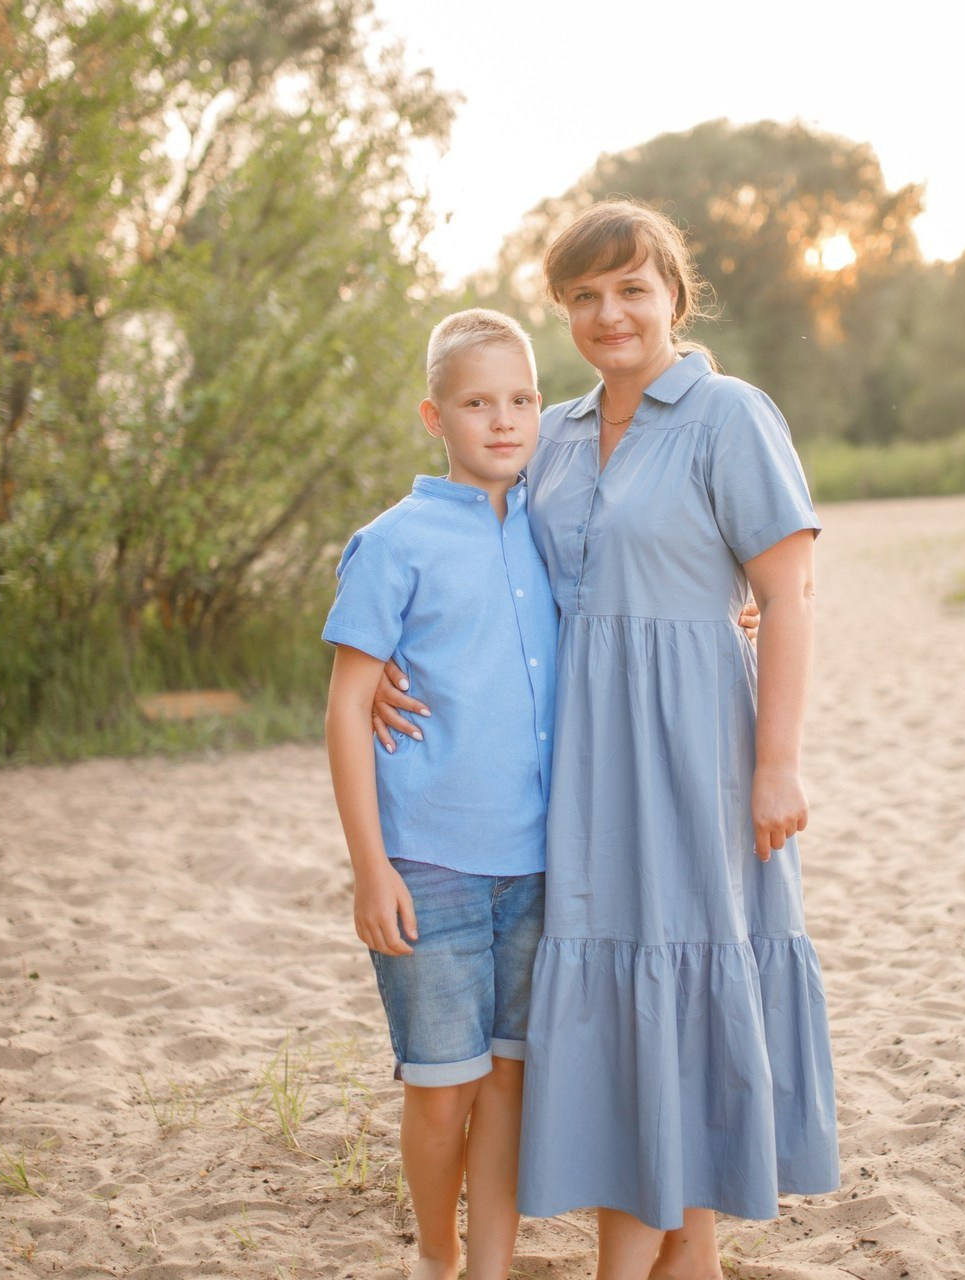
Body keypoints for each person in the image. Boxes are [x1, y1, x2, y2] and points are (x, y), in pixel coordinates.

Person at [378, 201, 838, 1280]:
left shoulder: (727, 414)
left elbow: (790, 589)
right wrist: (383, 659)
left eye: (631, 287)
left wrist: (774, 761)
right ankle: (690, 1259)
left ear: (675, 294)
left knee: (677, 988)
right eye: (582, 295)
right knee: (634, 1001)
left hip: (693, 757)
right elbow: (478, 554)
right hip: (581, 768)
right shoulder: (559, 431)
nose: (608, 312)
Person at [322, 308, 559, 1280]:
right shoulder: (392, 541)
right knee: (440, 1088)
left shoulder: (558, 522)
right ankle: (438, 1253)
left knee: (509, 1081)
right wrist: (368, 868)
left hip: (542, 861)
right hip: (429, 862)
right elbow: (345, 710)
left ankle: (493, 1266)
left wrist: (735, 607)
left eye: (521, 399)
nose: (502, 421)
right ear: (433, 415)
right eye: (475, 402)